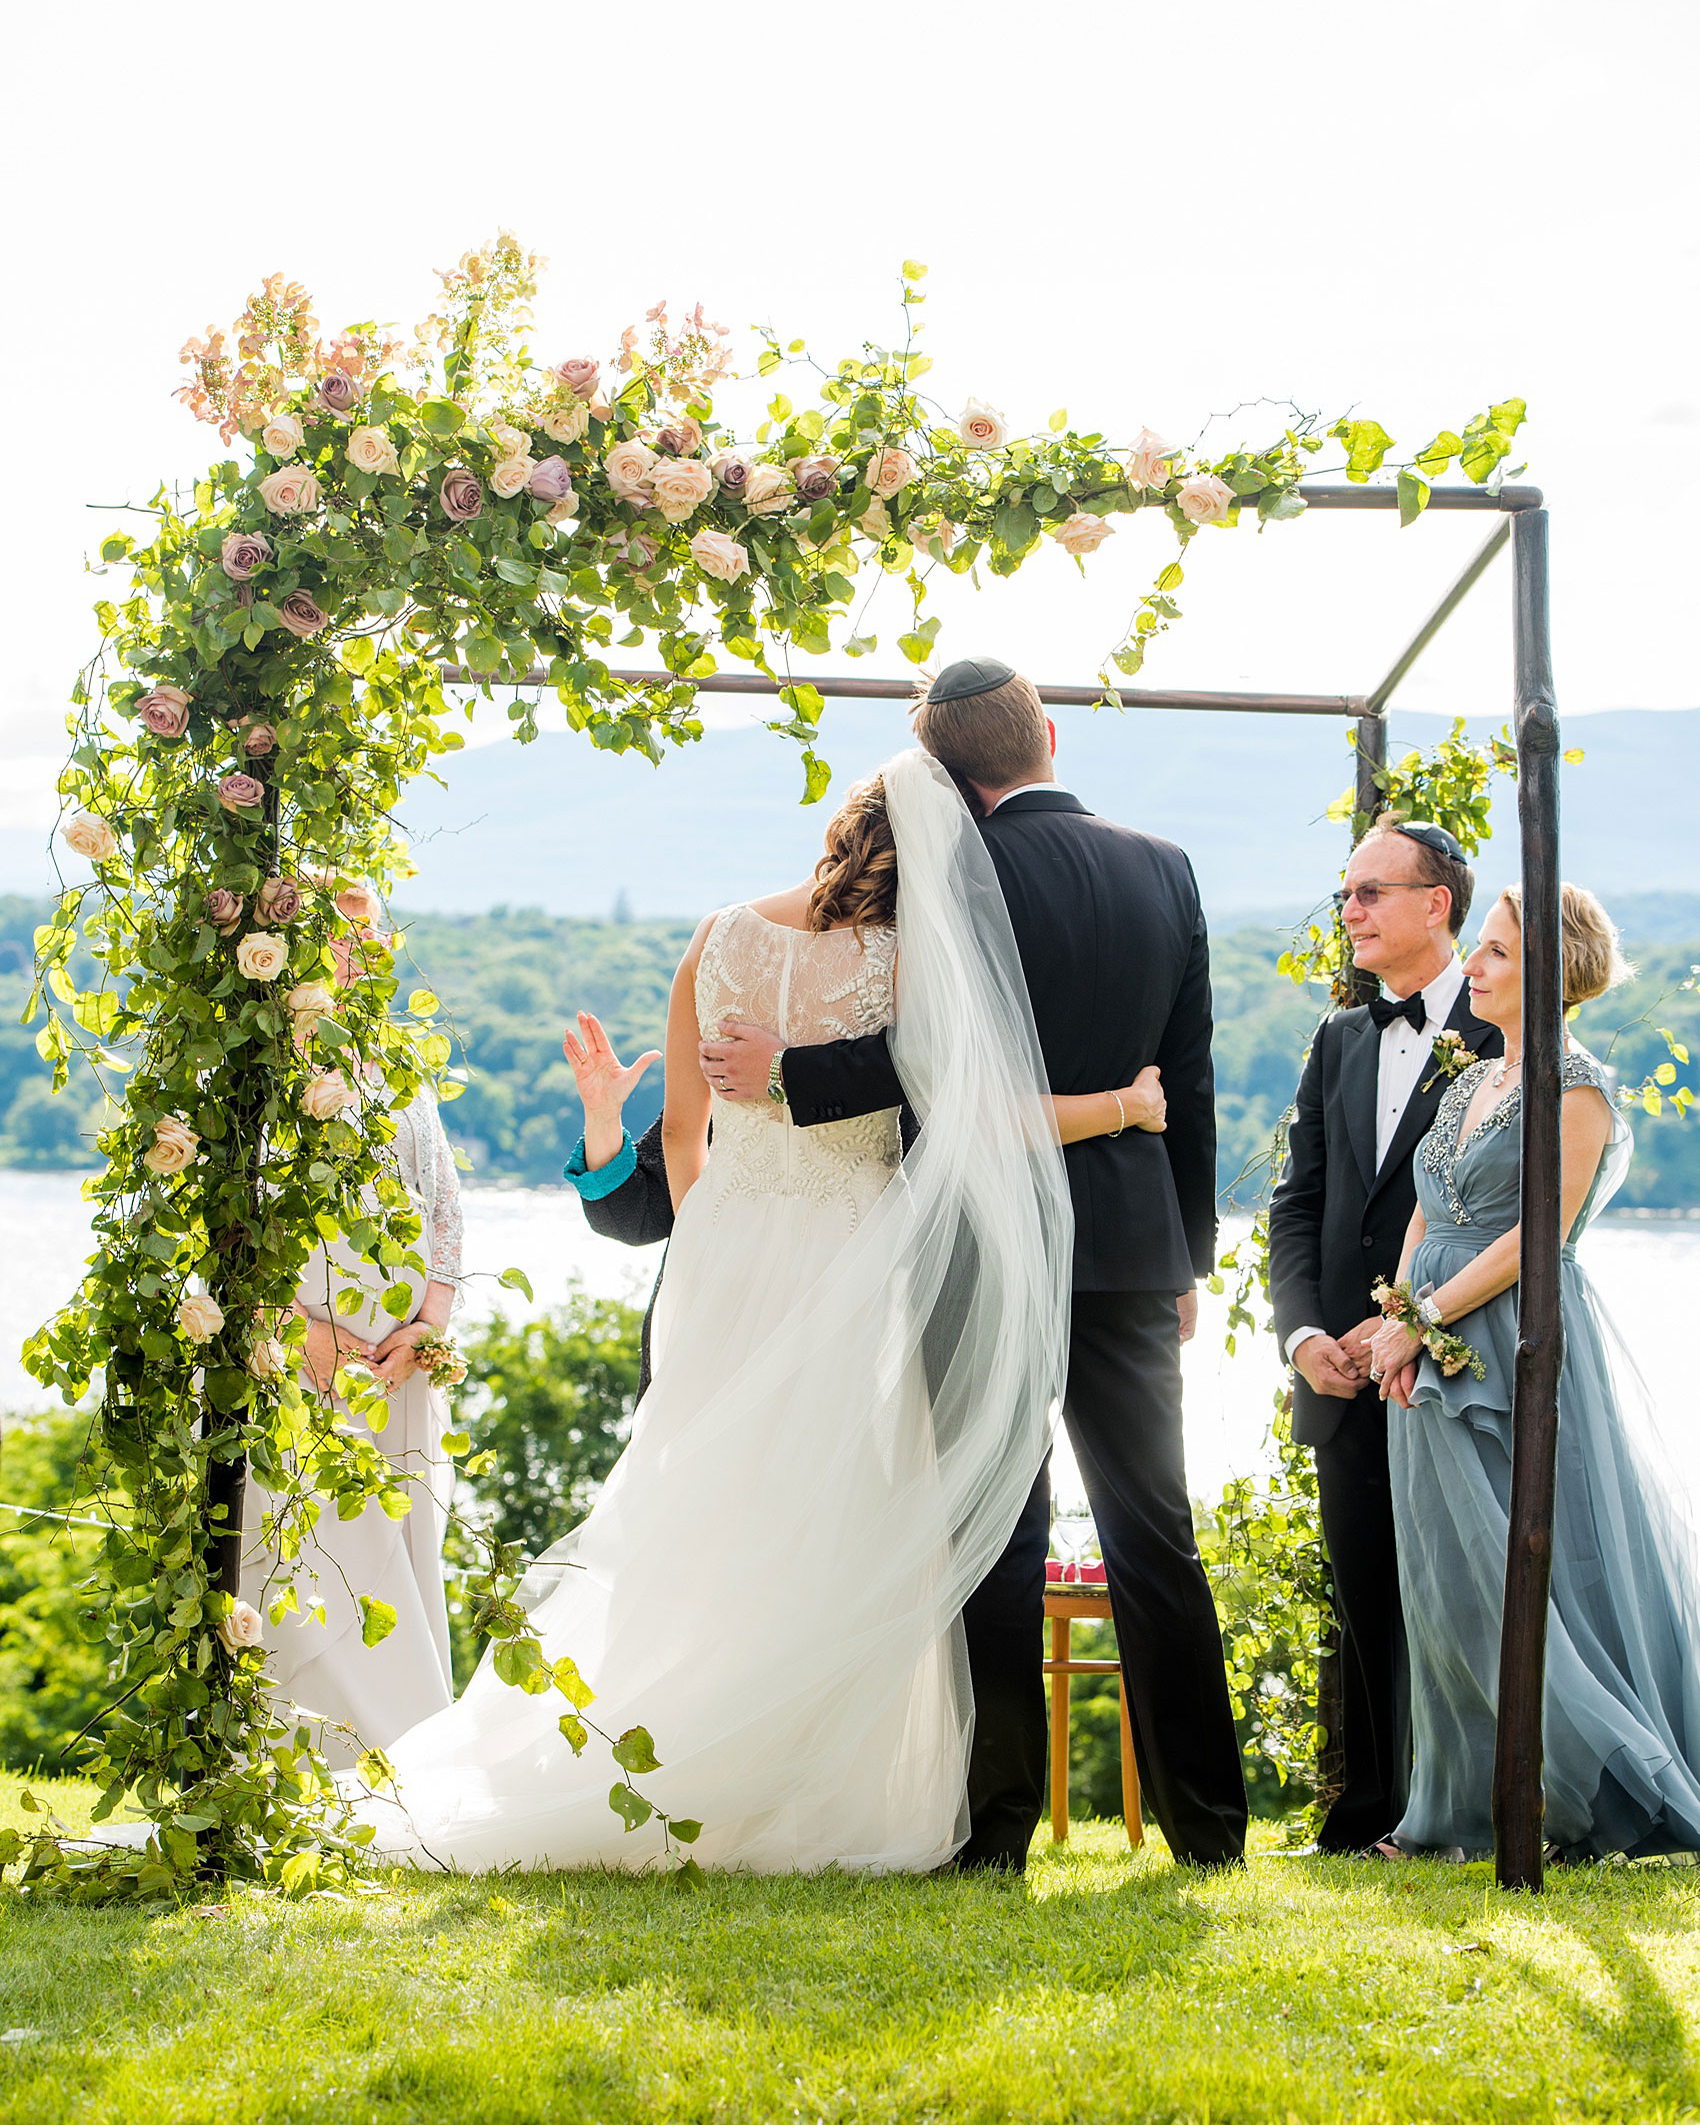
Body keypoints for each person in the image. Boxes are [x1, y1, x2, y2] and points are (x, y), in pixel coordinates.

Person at [349, 750, 1150, 1874]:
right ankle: (812, 1780)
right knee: (840, 1510)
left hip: (724, 1248)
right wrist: (1123, 1101)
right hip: (856, 1248)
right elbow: (960, 1105)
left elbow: (683, 1136)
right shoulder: (908, 955)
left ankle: (663, 1744)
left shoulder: (716, 933)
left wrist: (717, 1239)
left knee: (706, 1500)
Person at [701, 660, 1247, 1872]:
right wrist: (1187, 1255)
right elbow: (1189, 1079)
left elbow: (930, 1062)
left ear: (941, 773)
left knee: (991, 1525)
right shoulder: (1166, 867)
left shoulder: (950, 871)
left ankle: (993, 1832)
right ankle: (1209, 1833)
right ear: (1048, 734)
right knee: (1154, 1529)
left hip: (979, 1237)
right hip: (1127, 1248)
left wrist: (795, 1077)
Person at [1368, 884, 1700, 1862]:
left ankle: (1583, 1803)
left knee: (1526, 1578)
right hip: (1424, 1351)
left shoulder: (1577, 1088)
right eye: (1479, 949)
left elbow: (1537, 1235)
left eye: (1496, 953)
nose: (1470, 965)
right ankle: (1456, 1812)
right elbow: (1425, 1207)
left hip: (1516, 1346)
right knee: (1448, 1582)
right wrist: (1393, 1319)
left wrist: (1425, 1317)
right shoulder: (1470, 1080)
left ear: (1550, 974)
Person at [1266, 818, 1501, 1854]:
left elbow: (1511, 1214)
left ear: (1433, 902)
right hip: (1340, 1372)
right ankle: (1368, 1811)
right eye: (1345, 894)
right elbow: (1296, 1199)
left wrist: (1407, 1318)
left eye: (1367, 892)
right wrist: (1304, 1332)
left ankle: (1482, 1803)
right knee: (1363, 1589)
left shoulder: (1500, 1031)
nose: (1348, 911)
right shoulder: (1338, 1035)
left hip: (1458, 1359)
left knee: (1465, 1591)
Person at [241, 885, 462, 1762]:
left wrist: (430, 1321)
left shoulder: (395, 1061)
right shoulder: (254, 1070)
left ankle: (411, 1759)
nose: (364, 953)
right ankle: (322, 1762)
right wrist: (302, 1336)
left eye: (373, 937)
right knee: (319, 1558)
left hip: (399, 1369)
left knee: (402, 1552)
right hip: (302, 1368)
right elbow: (225, 1226)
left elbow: (442, 1198)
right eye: (341, 938)